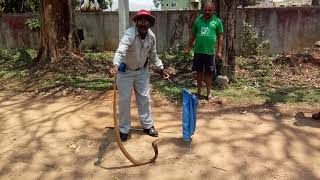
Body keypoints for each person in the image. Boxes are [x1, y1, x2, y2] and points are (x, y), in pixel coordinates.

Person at [109, 10, 170, 142]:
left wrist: (161, 69)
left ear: (149, 23)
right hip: (125, 72)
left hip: (142, 72)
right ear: (136, 22)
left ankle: (148, 126)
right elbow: (121, 49)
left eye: (146, 20)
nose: (143, 23)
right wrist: (115, 65)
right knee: (124, 101)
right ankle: (124, 129)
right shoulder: (129, 34)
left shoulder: (151, 37)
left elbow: (153, 55)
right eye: (140, 20)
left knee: (144, 98)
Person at [185, 1, 224, 101]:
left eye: (209, 10)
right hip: (198, 51)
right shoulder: (198, 20)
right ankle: (198, 91)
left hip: (210, 52)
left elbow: (220, 37)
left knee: (209, 73)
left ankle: (208, 93)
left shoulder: (217, 21)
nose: (207, 12)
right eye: (205, 10)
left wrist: (219, 51)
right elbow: (193, 36)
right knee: (199, 72)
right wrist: (188, 47)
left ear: (213, 10)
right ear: (203, 9)